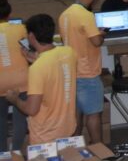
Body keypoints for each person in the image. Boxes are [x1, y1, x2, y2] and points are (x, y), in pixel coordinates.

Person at [6, 14, 77, 145]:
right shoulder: (69, 53)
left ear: (31, 36)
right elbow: (54, 65)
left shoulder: (37, 68)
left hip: (45, 135)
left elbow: (31, 110)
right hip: (67, 128)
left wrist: (14, 99)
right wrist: (34, 58)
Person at [58, 0, 105, 144]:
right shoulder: (86, 15)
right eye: (95, 0)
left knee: (76, 115)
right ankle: (99, 150)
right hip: (88, 72)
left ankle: (75, 149)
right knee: (93, 114)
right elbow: (96, 41)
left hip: (71, 71)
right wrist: (102, 34)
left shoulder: (64, 15)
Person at [0, 0, 28, 150]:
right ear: (9, 14)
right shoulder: (20, 28)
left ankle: (2, 155)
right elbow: (28, 49)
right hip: (21, 81)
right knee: (20, 120)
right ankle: (16, 152)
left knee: (1, 121)